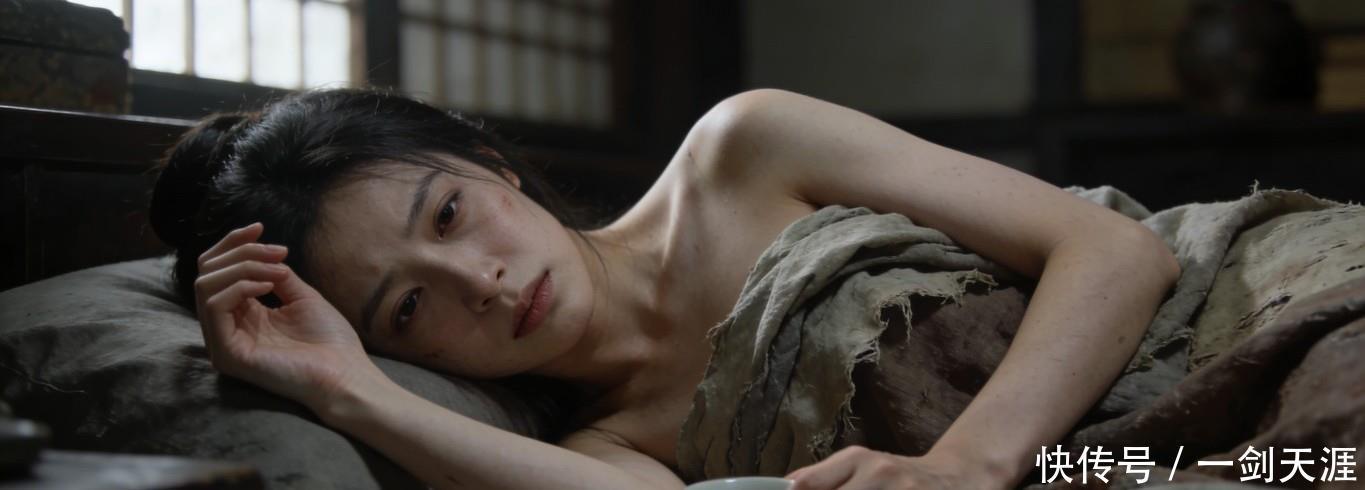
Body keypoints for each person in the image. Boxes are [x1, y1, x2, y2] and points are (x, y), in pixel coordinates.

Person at [149, 88, 1180, 489]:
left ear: (490, 162)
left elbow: (1114, 251)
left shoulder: (742, 151)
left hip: (1195, 308)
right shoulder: (607, 447)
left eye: (449, 215)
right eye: (408, 309)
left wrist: (968, 463)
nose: (479, 284)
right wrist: (343, 389)